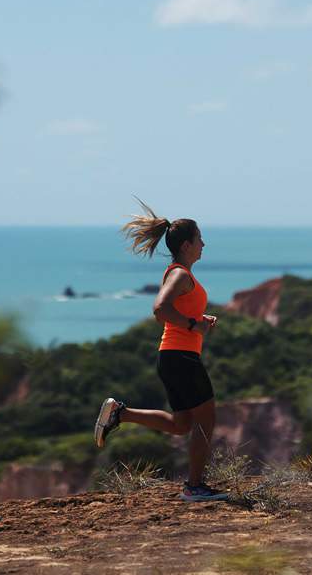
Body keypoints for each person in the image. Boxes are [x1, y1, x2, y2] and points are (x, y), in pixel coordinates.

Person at [94, 199, 229, 501]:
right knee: (205, 421)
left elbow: (174, 311)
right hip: (180, 357)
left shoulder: (179, 273)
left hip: (173, 357)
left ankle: (121, 413)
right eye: (199, 239)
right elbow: (160, 309)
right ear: (186, 245)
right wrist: (194, 326)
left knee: (182, 425)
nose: (203, 244)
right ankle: (194, 487)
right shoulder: (180, 274)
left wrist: (197, 321)